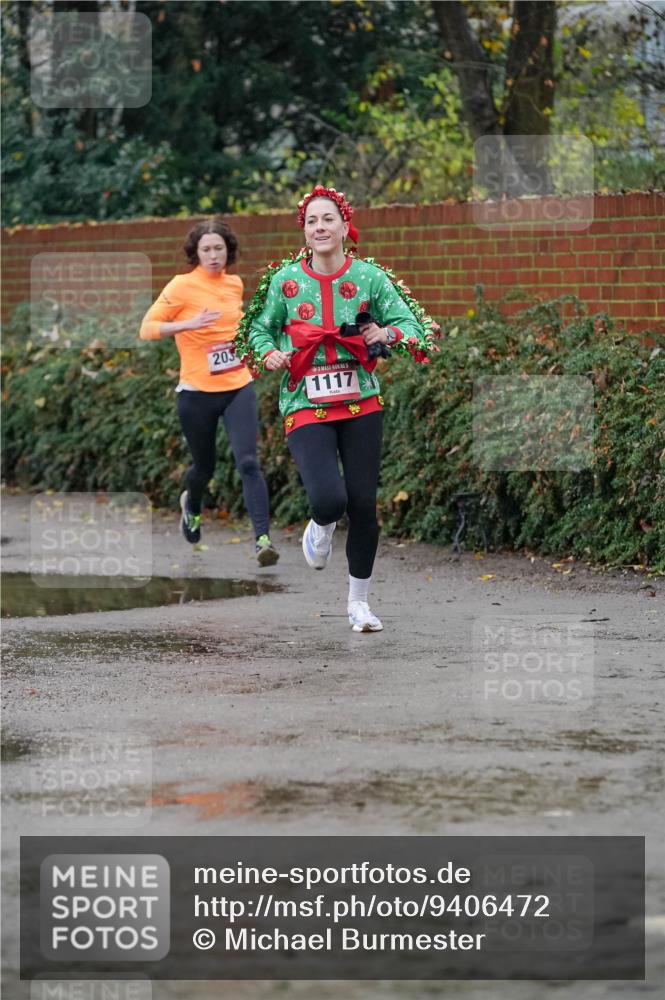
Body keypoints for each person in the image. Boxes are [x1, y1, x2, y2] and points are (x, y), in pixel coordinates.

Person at [237, 185, 436, 629]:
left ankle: (358, 603)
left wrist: (386, 334)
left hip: (361, 402)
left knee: (364, 505)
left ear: (346, 227)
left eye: (328, 219)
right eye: (312, 221)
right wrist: (269, 352)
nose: (320, 227)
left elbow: (412, 325)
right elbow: (258, 330)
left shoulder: (369, 278)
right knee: (329, 499)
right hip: (305, 401)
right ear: (304, 232)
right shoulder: (285, 281)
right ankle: (321, 524)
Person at [139, 218, 279, 566]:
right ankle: (193, 505)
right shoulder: (181, 286)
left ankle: (263, 540)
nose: (214, 255)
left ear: (228, 250)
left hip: (237, 385)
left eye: (219, 248)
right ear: (196, 253)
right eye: (206, 249)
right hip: (197, 392)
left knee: (248, 461)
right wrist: (187, 324)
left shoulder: (234, 284)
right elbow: (147, 328)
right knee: (204, 467)